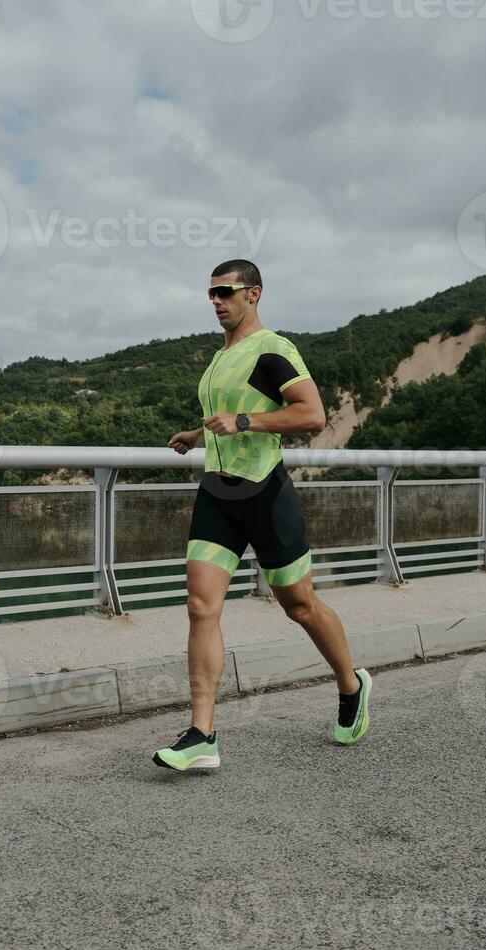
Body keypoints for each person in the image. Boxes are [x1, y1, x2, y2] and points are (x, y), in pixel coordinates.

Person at [153, 259, 371, 771]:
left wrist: (245, 421)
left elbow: (311, 414)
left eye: (226, 292)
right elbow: (227, 419)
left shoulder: (273, 349)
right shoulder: (219, 358)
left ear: (254, 294)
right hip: (217, 495)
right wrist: (199, 433)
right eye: (210, 293)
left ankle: (351, 684)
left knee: (299, 605)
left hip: (264, 494)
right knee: (200, 606)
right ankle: (202, 734)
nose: (216, 300)